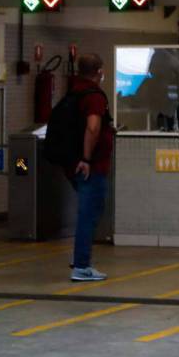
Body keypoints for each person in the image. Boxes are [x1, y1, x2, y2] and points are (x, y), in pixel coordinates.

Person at [68, 53, 115, 282]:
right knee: (89, 214)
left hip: (78, 161)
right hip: (91, 166)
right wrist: (86, 159)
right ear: (99, 71)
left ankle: (79, 258)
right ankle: (81, 266)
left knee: (86, 213)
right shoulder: (94, 96)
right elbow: (93, 127)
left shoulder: (75, 91)